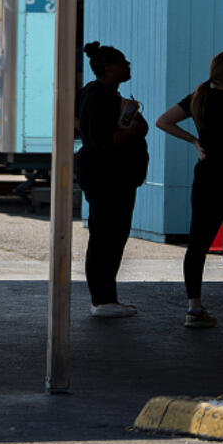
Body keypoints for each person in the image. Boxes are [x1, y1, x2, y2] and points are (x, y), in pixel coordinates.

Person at [155, 51, 223, 331]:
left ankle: (193, 308)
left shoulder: (198, 100)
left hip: (207, 177)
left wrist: (194, 140)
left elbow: (163, 121)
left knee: (198, 243)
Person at [76, 41, 149, 318]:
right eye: (123, 61)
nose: (128, 65)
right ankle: (102, 299)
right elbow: (101, 142)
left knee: (112, 237)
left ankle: (107, 297)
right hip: (107, 179)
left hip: (117, 178)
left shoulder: (104, 95)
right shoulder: (97, 96)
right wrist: (133, 130)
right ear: (108, 67)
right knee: (106, 237)